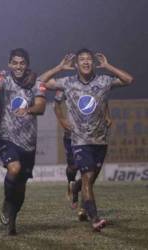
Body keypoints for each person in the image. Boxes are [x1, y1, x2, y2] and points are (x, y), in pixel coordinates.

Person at [41, 48, 133, 231]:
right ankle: (95, 218)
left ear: (93, 63)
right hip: (79, 140)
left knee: (89, 180)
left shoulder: (103, 81)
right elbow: (41, 81)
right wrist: (59, 67)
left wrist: (108, 66)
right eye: (81, 59)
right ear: (76, 64)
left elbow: (128, 80)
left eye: (89, 59)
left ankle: (75, 189)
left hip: (100, 140)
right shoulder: (68, 82)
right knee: (86, 177)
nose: (85, 62)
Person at [0, 48, 46, 235]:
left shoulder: (37, 82)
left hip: (29, 141)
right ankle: (6, 202)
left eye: (22, 63)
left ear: (26, 65)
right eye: (15, 63)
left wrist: (28, 109)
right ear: (9, 64)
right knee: (14, 169)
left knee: (20, 189)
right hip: (6, 136)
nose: (18, 66)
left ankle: (12, 222)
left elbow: (41, 106)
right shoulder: (3, 77)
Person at [54, 90, 112, 211]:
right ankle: (72, 185)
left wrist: (107, 115)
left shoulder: (96, 85)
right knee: (74, 167)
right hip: (73, 135)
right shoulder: (67, 84)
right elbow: (56, 104)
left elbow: (104, 101)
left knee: (91, 174)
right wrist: (62, 120)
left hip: (93, 136)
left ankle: (77, 192)